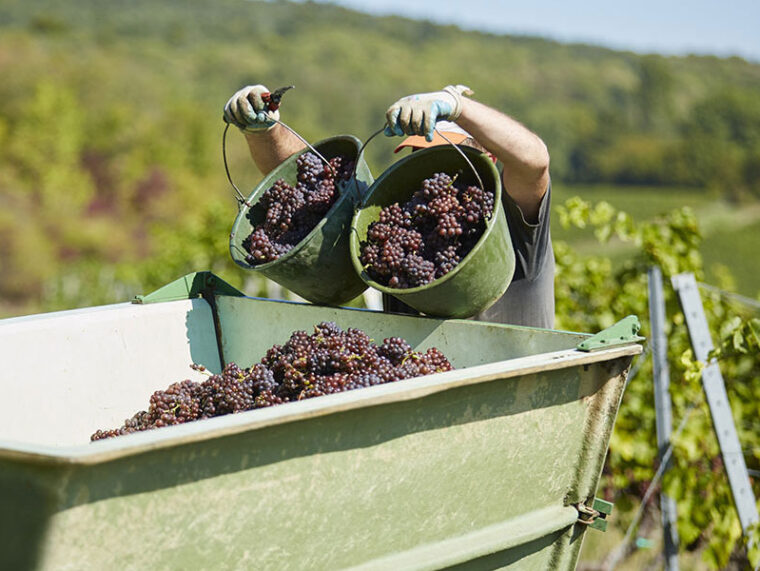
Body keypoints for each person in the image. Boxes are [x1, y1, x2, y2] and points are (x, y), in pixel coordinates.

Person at [223, 84, 554, 328]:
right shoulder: (391, 229)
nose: (431, 171)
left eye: (447, 156)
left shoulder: (510, 219)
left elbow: (535, 162)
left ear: (490, 158)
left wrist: (456, 107)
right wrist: (265, 131)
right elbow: (315, 190)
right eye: (420, 154)